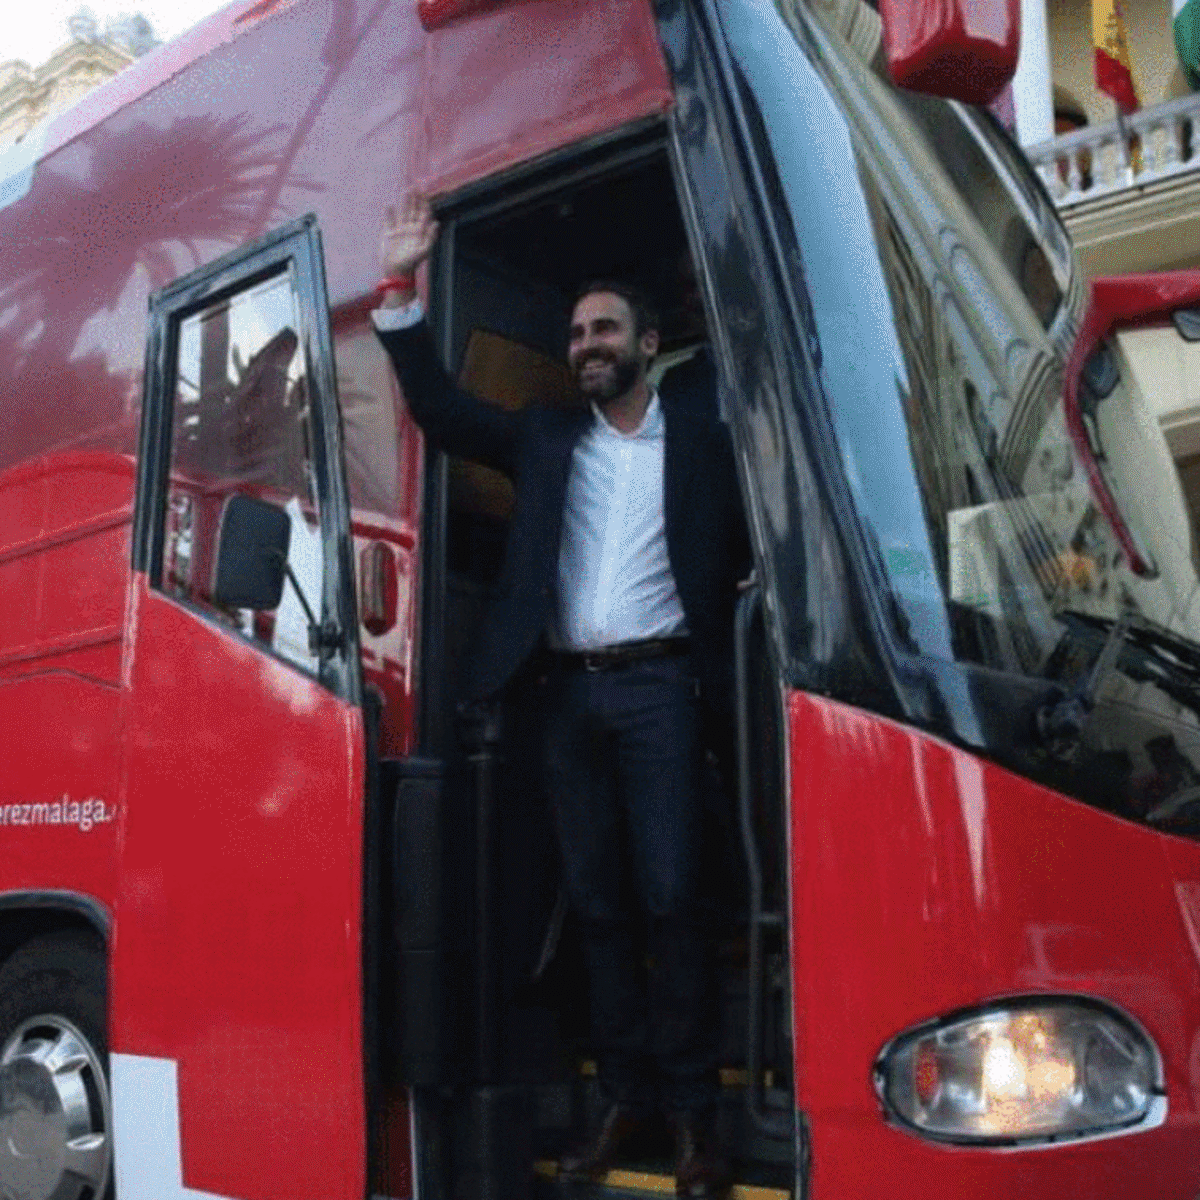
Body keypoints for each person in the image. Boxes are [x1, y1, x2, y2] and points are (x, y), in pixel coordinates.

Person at [372, 194, 749, 1199]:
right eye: (577, 334)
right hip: (566, 702)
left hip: (664, 690)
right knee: (597, 908)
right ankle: (623, 1099)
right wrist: (400, 285)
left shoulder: (705, 443)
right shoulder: (546, 438)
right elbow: (443, 413)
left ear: (647, 344)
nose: (586, 346)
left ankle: (694, 1120)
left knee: (672, 902)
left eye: (604, 331)